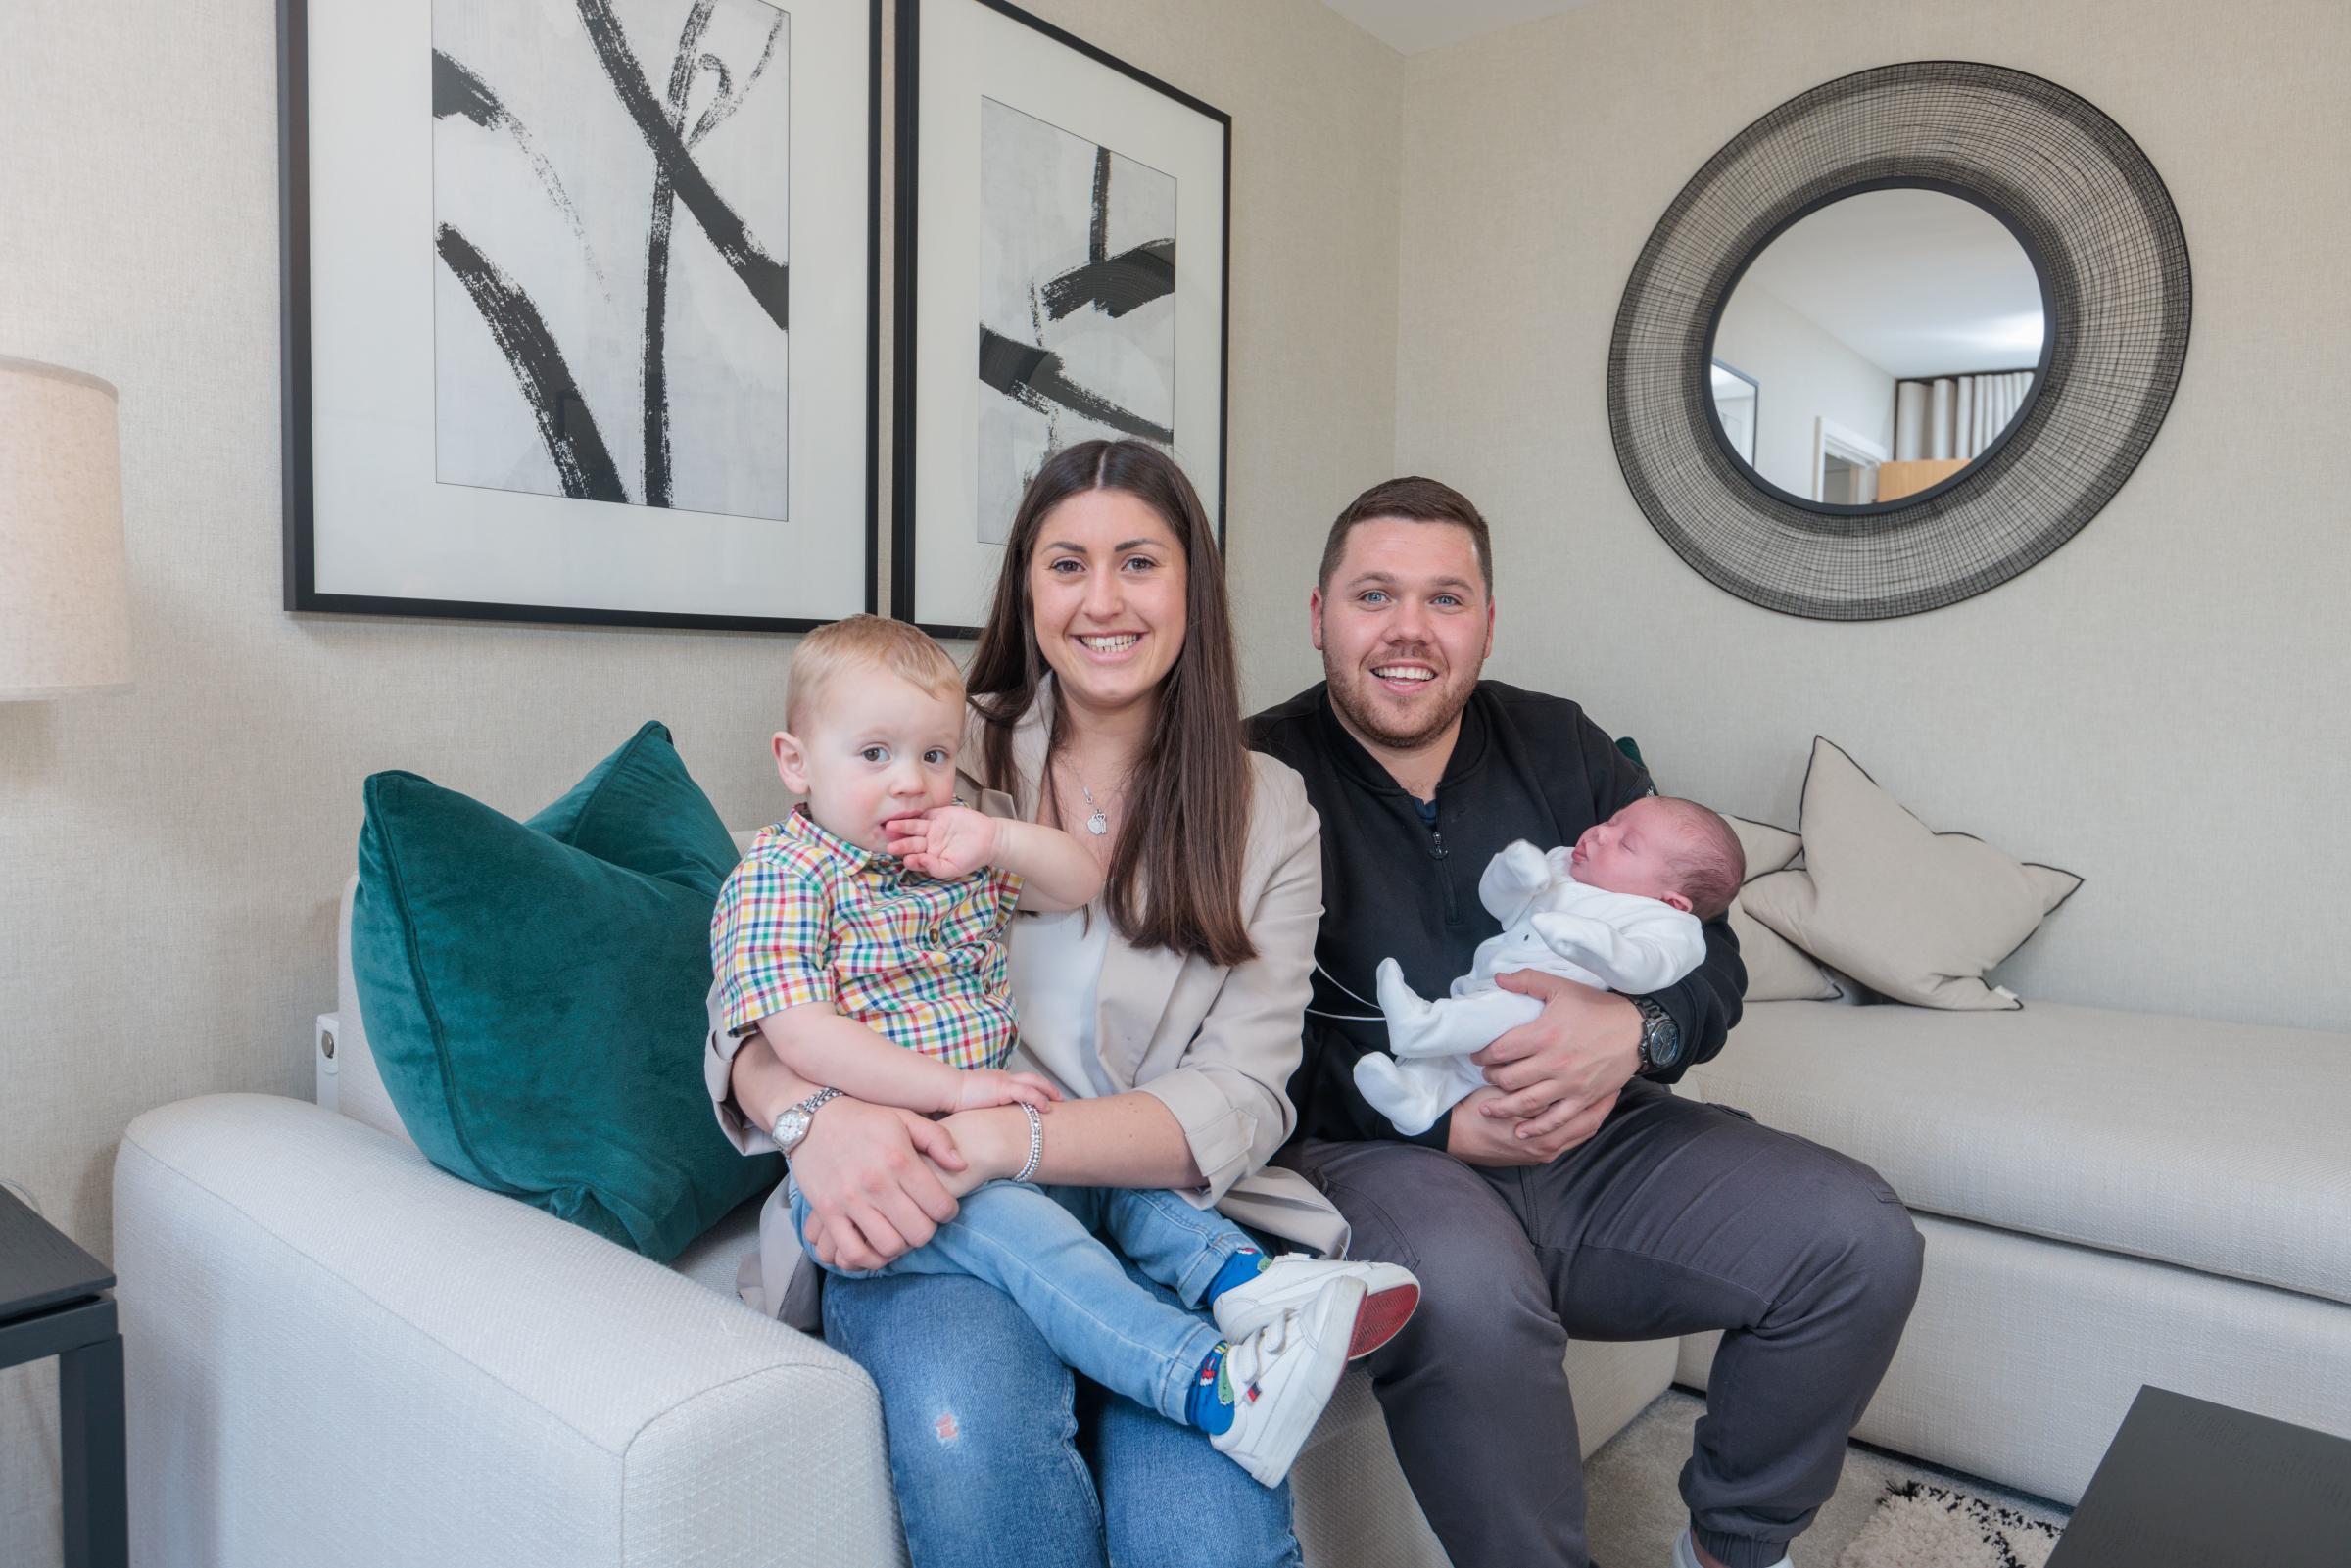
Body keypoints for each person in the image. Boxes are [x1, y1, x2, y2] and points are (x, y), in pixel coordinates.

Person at [705, 441, 1365, 1567]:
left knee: (1208, 1544)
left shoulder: (1271, 810)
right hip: (941, 1212)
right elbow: (757, 984)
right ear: (1026, 586)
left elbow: (1245, 1092)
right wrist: (811, 1116)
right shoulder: (933, 739)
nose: (1101, 600)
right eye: (1067, 564)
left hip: (1141, 1210)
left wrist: (1003, 1133)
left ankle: (1219, 1345)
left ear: (1192, 587)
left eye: (1139, 563)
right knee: (973, 1446)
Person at [1248, 476, 1927, 1568]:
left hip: (1599, 1132)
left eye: (1446, 598)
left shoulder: (1561, 745)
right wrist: (1438, 1131)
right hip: (1375, 1148)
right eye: (1375, 594)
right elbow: (1214, 1033)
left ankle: (1731, 1551)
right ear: (1319, 611)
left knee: (1859, 1239)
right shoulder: (1251, 771)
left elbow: (1714, 952)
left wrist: (1636, 1032)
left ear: (1488, 619)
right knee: (1465, 1291)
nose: (1410, 630)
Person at [1357, 797, 1744, 1135]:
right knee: (1456, 1059)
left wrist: (1591, 942)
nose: (1598, 834)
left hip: (1549, 1020)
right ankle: (1417, 1100)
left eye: (1626, 844)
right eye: (1611, 821)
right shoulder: (1562, 864)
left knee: (1508, 1013)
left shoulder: (1667, 924)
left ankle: (1421, 1027)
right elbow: (1501, 905)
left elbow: (1646, 967)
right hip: (1487, 985)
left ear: (1672, 900)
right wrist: (1514, 872)